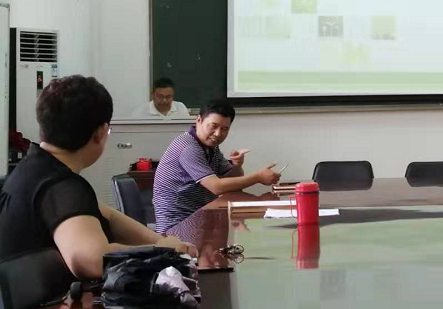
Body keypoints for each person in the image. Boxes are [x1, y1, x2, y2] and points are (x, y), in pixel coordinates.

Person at [0, 75, 197, 280]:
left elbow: (106, 214)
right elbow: (92, 260)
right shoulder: (60, 186)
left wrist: (160, 241)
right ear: (100, 133)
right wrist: (160, 252)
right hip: (49, 301)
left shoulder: (34, 169)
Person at [153, 99, 281, 233]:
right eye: (213, 126)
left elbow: (231, 182)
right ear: (199, 120)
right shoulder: (188, 147)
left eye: (224, 129)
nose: (218, 133)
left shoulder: (210, 146)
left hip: (202, 217)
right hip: (178, 227)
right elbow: (216, 187)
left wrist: (237, 165)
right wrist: (258, 177)